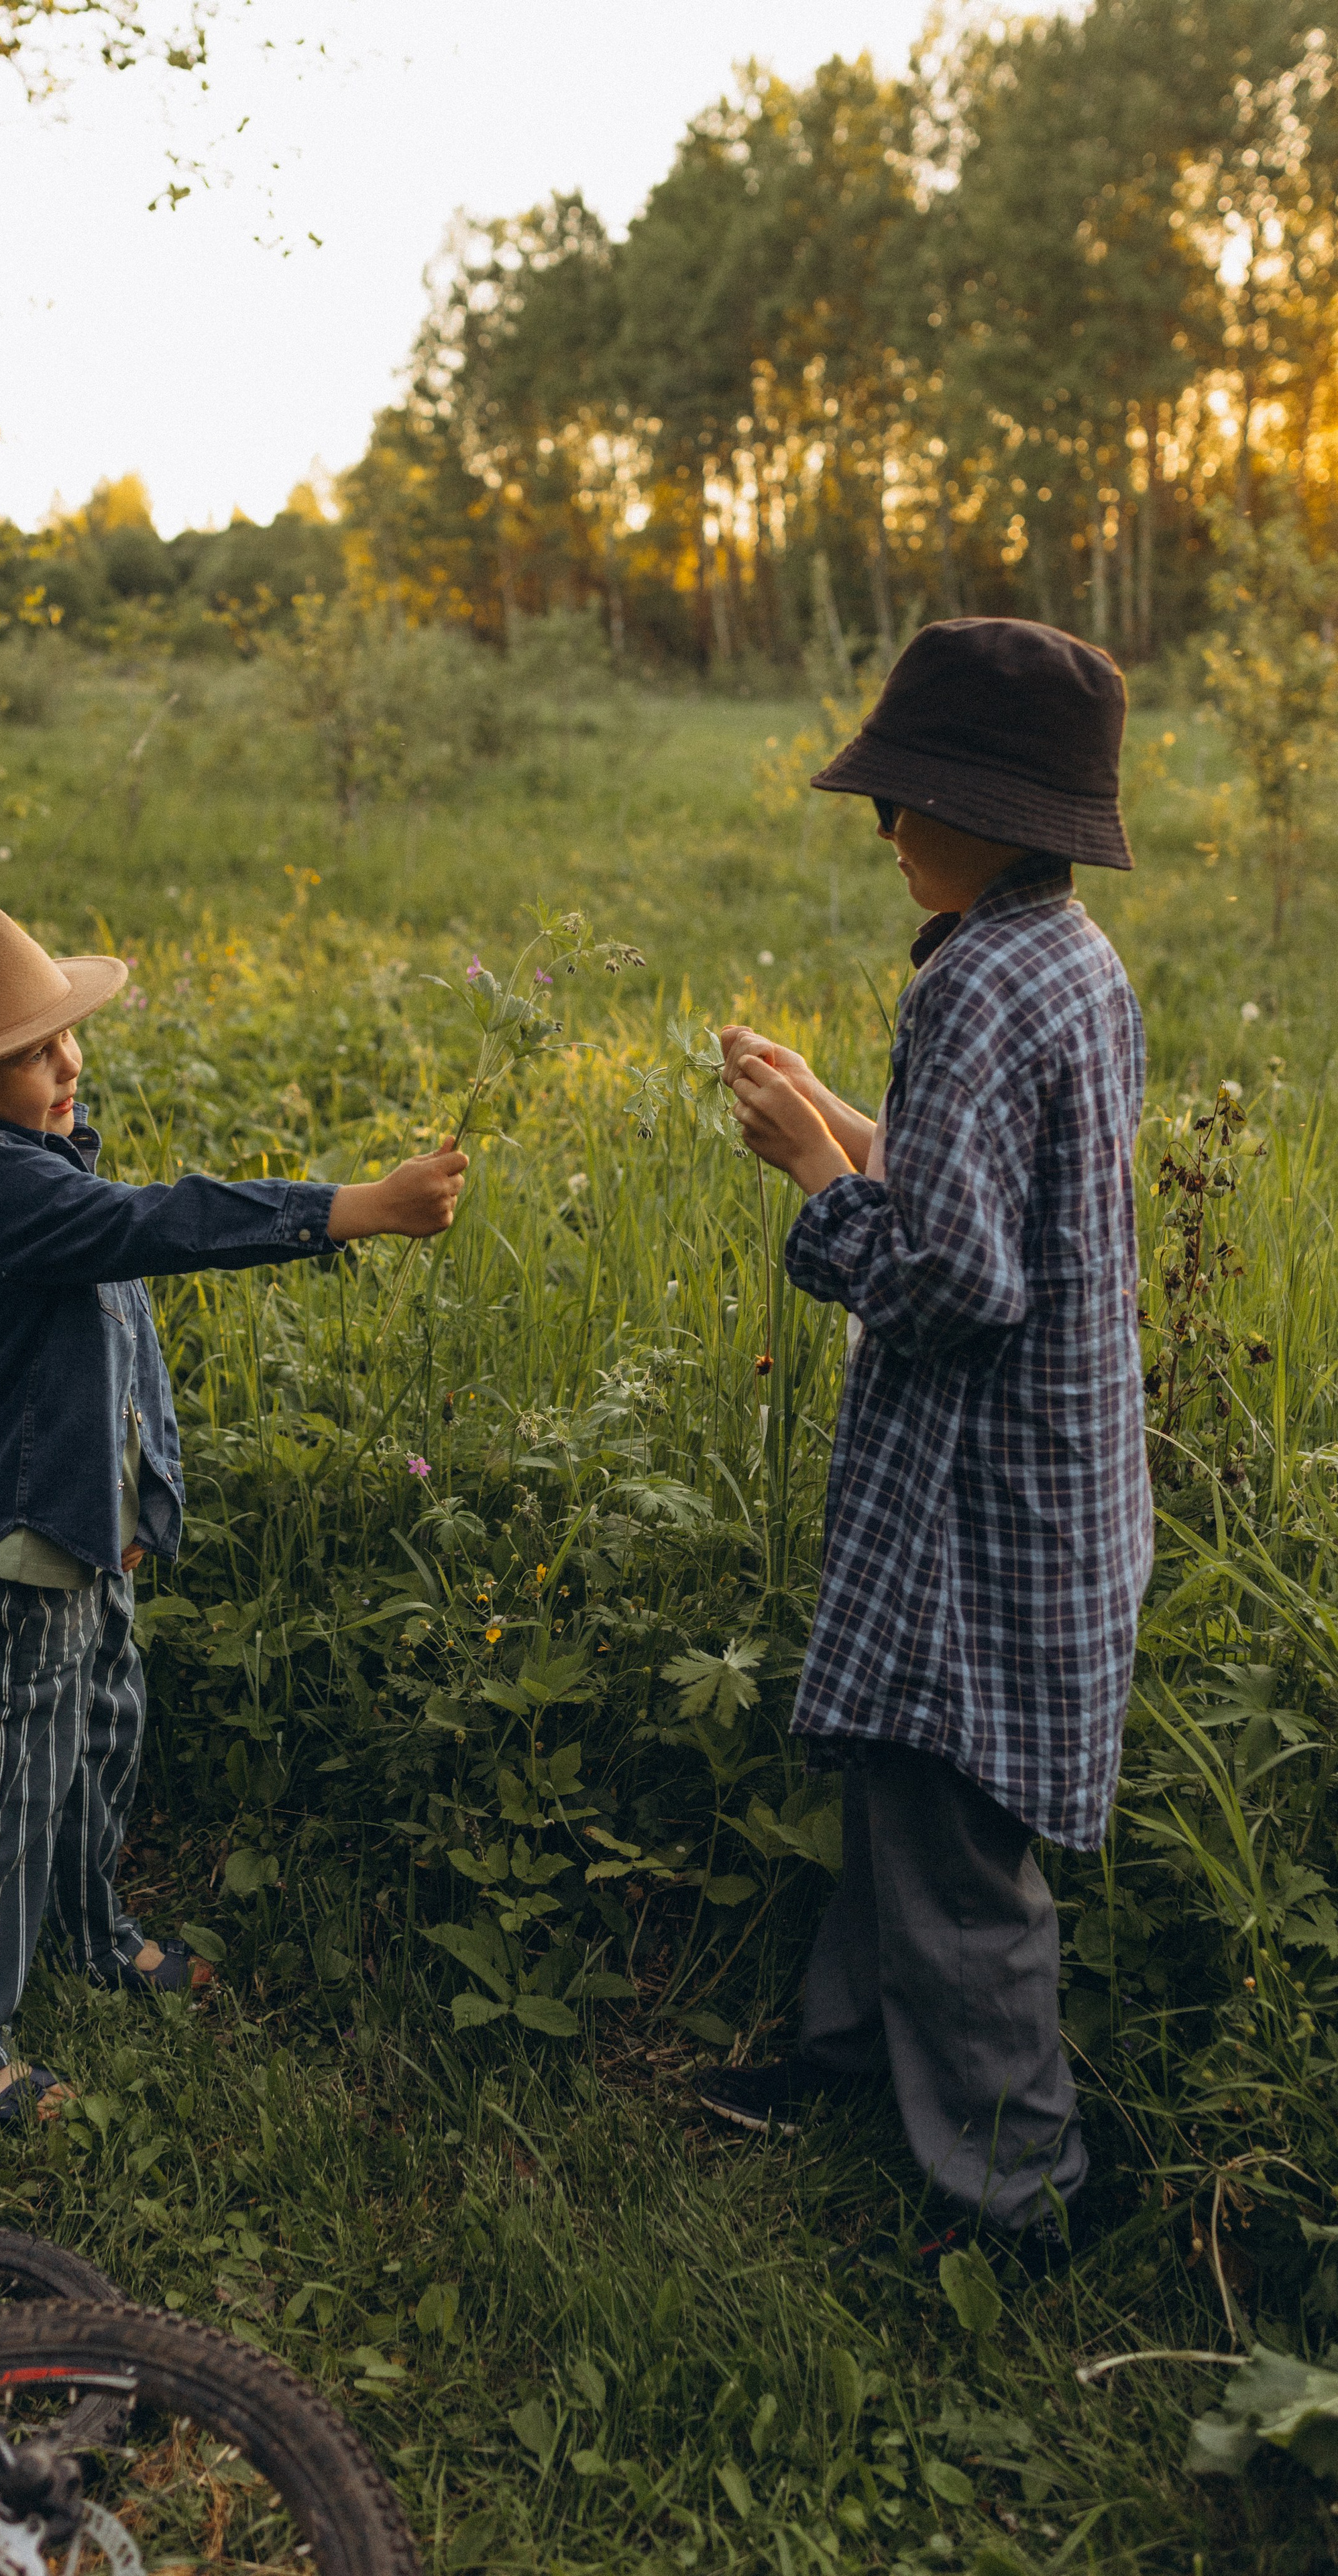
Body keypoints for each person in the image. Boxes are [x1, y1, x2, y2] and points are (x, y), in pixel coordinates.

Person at [0, 888, 466, 2120]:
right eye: (33, 1053)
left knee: (97, 1745)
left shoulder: (45, 1160)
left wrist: (139, 1504)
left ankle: (91, 1936)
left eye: (64, 1034)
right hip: (21, 1552)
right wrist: (356, 1208)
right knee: (0, 1794)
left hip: (89, 1534)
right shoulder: (0, 1189)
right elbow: (160, 1225)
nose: (69, 1062)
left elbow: (117, 1354)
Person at [698, 619, 1152, 2269]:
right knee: (900, 1791)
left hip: (984, 1505)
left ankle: (1017, 2201)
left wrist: (807, 1177)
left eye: (906, 797)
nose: (884, 824)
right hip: (1049, 1488)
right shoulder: (1062, 958)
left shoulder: (971, 985)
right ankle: (845, 2060)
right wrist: (840, 1115)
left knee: (956, 1855)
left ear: (992, 814)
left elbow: (954, 1282)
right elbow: (981, 1186)